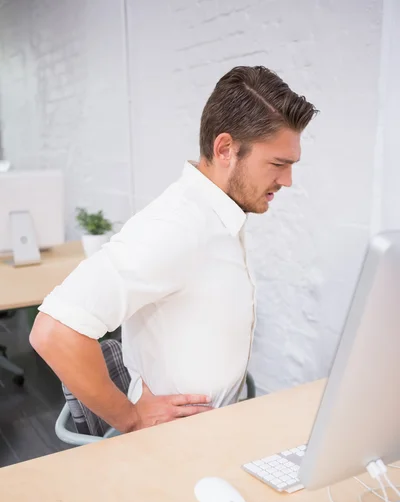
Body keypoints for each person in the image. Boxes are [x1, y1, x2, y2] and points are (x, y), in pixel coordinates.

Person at [30, 66, 317, 434]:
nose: (287, 181)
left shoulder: (220, 212)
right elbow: (54, 331)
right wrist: (130, 418)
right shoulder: (176, 227)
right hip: (175, 444)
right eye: (278, 164)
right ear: (225, 149)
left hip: (215, 428)